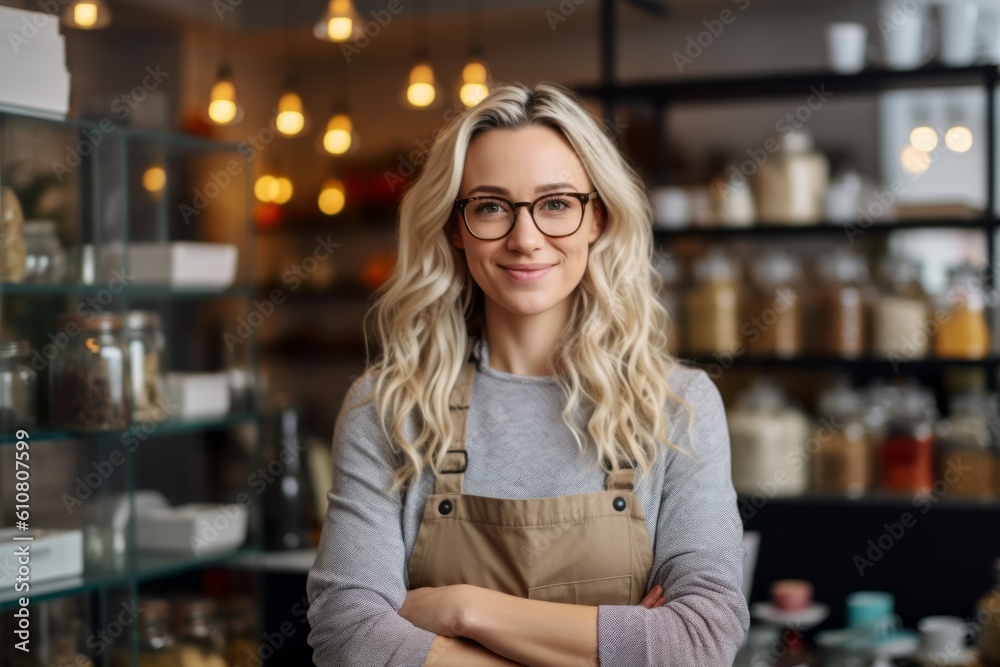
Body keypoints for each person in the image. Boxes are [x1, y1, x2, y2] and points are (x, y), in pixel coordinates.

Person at [306, 81, 749, 666]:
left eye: (557, 203)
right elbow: (348, 636)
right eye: (490, 206)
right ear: (455, 229)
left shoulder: (676, 406)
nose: (525, 238)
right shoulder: (387, 409)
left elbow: (702, 639)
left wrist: (464, 611)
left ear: (598, 218)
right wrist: (616, 646)